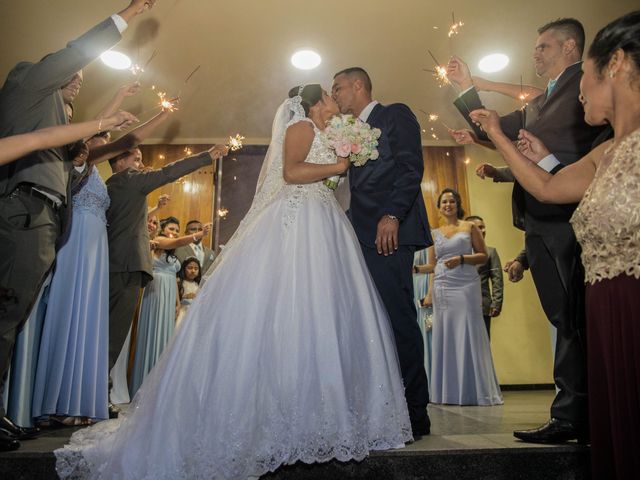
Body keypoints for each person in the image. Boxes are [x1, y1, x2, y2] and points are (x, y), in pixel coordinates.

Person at [55, 84, 412, 479]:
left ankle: (320, 414)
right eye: (328, 95)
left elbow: (317, 178)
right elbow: (292, 173)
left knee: (322, 314)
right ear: (314, 102)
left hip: (322, 221)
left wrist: (336, 171)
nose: (333, 101)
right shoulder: (302, 126)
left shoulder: (323, 132)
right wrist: (337, 168)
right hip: (300, 222)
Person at [469, 10, 640, 476]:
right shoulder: (605, 151)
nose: (579, 87)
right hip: (604, 306)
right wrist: (510, 144)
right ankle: (577, 415)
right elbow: (549, 186)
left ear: (618, 66)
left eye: (586, 75)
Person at [0, 0, 155, 451]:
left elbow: (84, 141)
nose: (78, 79)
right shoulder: (28, 83)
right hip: (23, 210)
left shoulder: (54, 120)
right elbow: (73, 54)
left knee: (16, 315)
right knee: (6, 313)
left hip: (46, 219)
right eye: (73, 77)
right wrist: (126, 15)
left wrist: (115, 108)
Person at [447, 18, 608, 444]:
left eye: (543, 46)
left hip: (568, 212)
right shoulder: (540, 102)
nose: (535, 53)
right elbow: (492, 131)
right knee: (563, 317)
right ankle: (574, 411)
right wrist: (465, 87)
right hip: (536, 217)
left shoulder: (583, 89)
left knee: (576, 315)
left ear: (571, 46)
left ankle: (583, 413)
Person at [331, 67, 432, 437]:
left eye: (338, 87)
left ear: (359, 85)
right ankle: (381, 403)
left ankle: (414, 411)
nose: (336, 95)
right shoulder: (348, 130)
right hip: (358, 234)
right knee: (371, 320)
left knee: (397, 317)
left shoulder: (395, 114)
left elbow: (410, 168)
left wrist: (392, 214)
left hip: (389, 232)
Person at [106, 144, 228, 392]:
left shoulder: (113, 184)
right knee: (114, 334)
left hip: (113, 262)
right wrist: (207, 156)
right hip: (127, 264)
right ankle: (97, 390)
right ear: (119, 161)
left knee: (108, 331)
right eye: (136, 159)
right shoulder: (130, 180)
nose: (141, 165)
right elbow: (169, 172)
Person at [423, 189, 502, 406]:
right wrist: (414, 269)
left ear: (457, 204)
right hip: (442, 287)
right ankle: (448, 392)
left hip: (465, 285)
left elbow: (483, 255)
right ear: (439, 207)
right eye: (444, 202)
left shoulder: (469, 227)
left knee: (468, 330)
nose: (448, 205)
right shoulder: (434, 233)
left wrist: (461, 258)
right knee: (446, 334)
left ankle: (475, 390)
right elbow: (431, 265)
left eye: (451, 201)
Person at [465, 216, 504, 338]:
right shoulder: (458, 253)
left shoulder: (490, 252)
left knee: (483, 345)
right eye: (478, 228)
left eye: (483, 227)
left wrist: (496, 304)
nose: (482, 230)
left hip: (482, 306)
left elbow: (497, 279)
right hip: (460, 307)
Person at [176, 257, 202, 328]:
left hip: (195, 314)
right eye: (190, 268)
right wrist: (185, 297)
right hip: (182, 313)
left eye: (196, 268)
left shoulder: (198, 284)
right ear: (184, 268)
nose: (193, 271)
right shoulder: (179, 282)